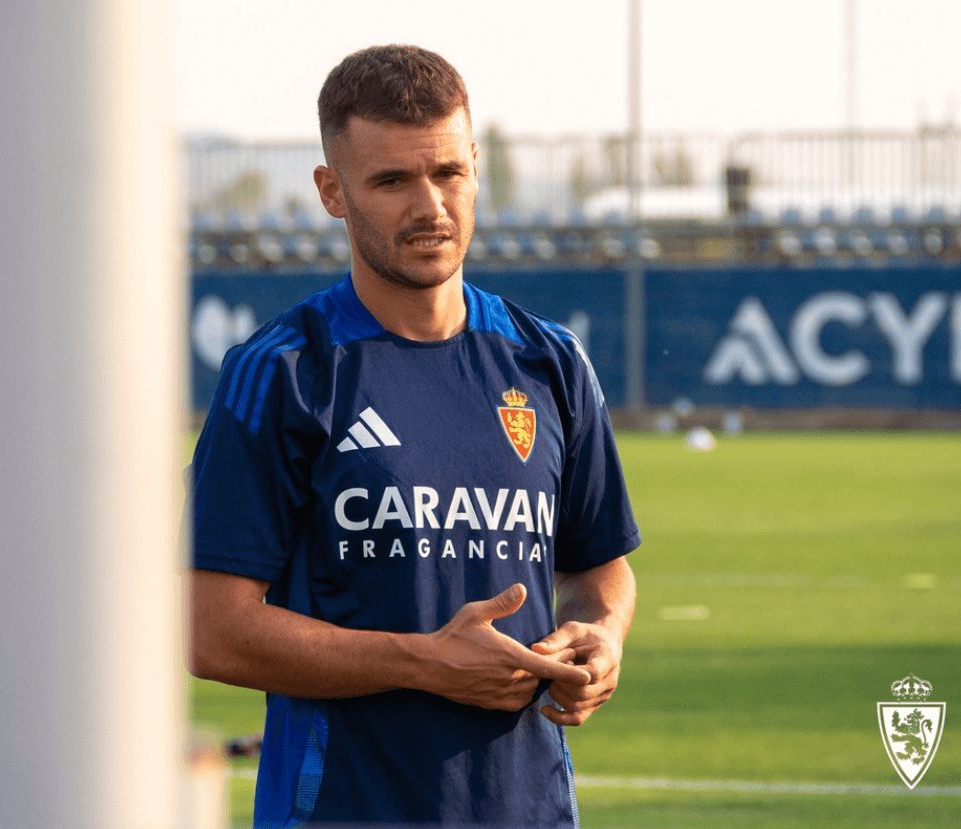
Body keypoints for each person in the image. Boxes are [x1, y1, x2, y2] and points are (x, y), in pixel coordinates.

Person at [187, 44, 641, 828]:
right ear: (332, 191)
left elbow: (599, 567)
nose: (430, 205)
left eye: (448, 172)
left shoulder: (551, 361)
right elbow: (209, 629)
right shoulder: (285, 371)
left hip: (530, 809)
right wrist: (423, 661)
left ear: (476, 168)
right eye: (392, 180)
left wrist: (599, 635)